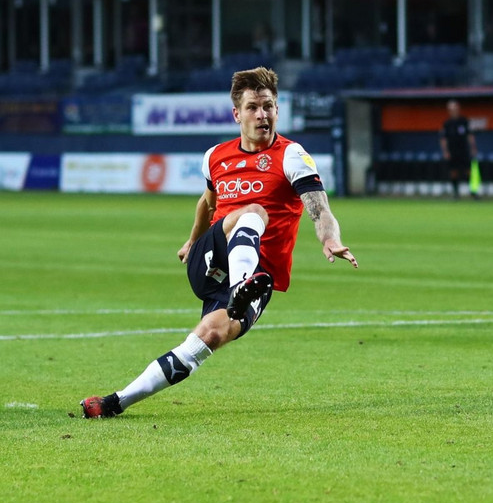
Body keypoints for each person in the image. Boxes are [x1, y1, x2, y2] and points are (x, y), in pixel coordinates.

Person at [81, 67, 358, 418]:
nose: (263, 114)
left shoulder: (291, 156)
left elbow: (319, 207)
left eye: (269, 106)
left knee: (207, 339)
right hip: (212, 260)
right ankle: (243, 286)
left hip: (260, 278)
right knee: (252, 210)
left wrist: (331, 238)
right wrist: (192, 239)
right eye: (254, 107)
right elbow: (207, 202)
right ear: (237, 113)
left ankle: (114, 402)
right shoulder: (216, 156)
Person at [440, 99, 479, 199]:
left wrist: (473, 147)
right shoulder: (447, 123)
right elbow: (443, 139)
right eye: (451, 109)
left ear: (458, 108)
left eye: (455, 108)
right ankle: (456, 193)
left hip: (463, 150)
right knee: (453, 172)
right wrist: (445, 151)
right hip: (452, 150)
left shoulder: (464, 121)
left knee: (468, 171)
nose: (453, 110)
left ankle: (473, 192)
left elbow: (470, 135)